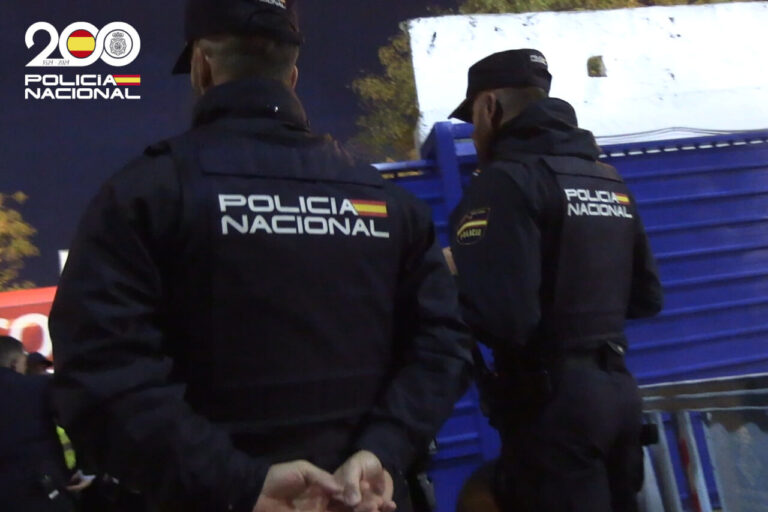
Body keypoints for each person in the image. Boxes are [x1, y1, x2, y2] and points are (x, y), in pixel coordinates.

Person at [49, 1, 472, 511]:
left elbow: (101, 377)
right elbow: (444, 345)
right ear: (292, 75)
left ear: (203, 65)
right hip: (364, 498)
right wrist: (381, 450)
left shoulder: (145, 195)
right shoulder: (388, 202)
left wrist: (239, 482)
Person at [445, 49, 663, 511]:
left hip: (553, 411)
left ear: (490, 107)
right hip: (620, 398)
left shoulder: (505, 181)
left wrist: (456, 278)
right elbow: (646, 298)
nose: (475, 133)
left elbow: (509, 321)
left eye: (474, 120)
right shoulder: (607, 178)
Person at [0, 336, 75, 512]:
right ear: (14, 362)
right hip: (41, 491)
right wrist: (87, 468)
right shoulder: (37, 388)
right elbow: (77, 420)